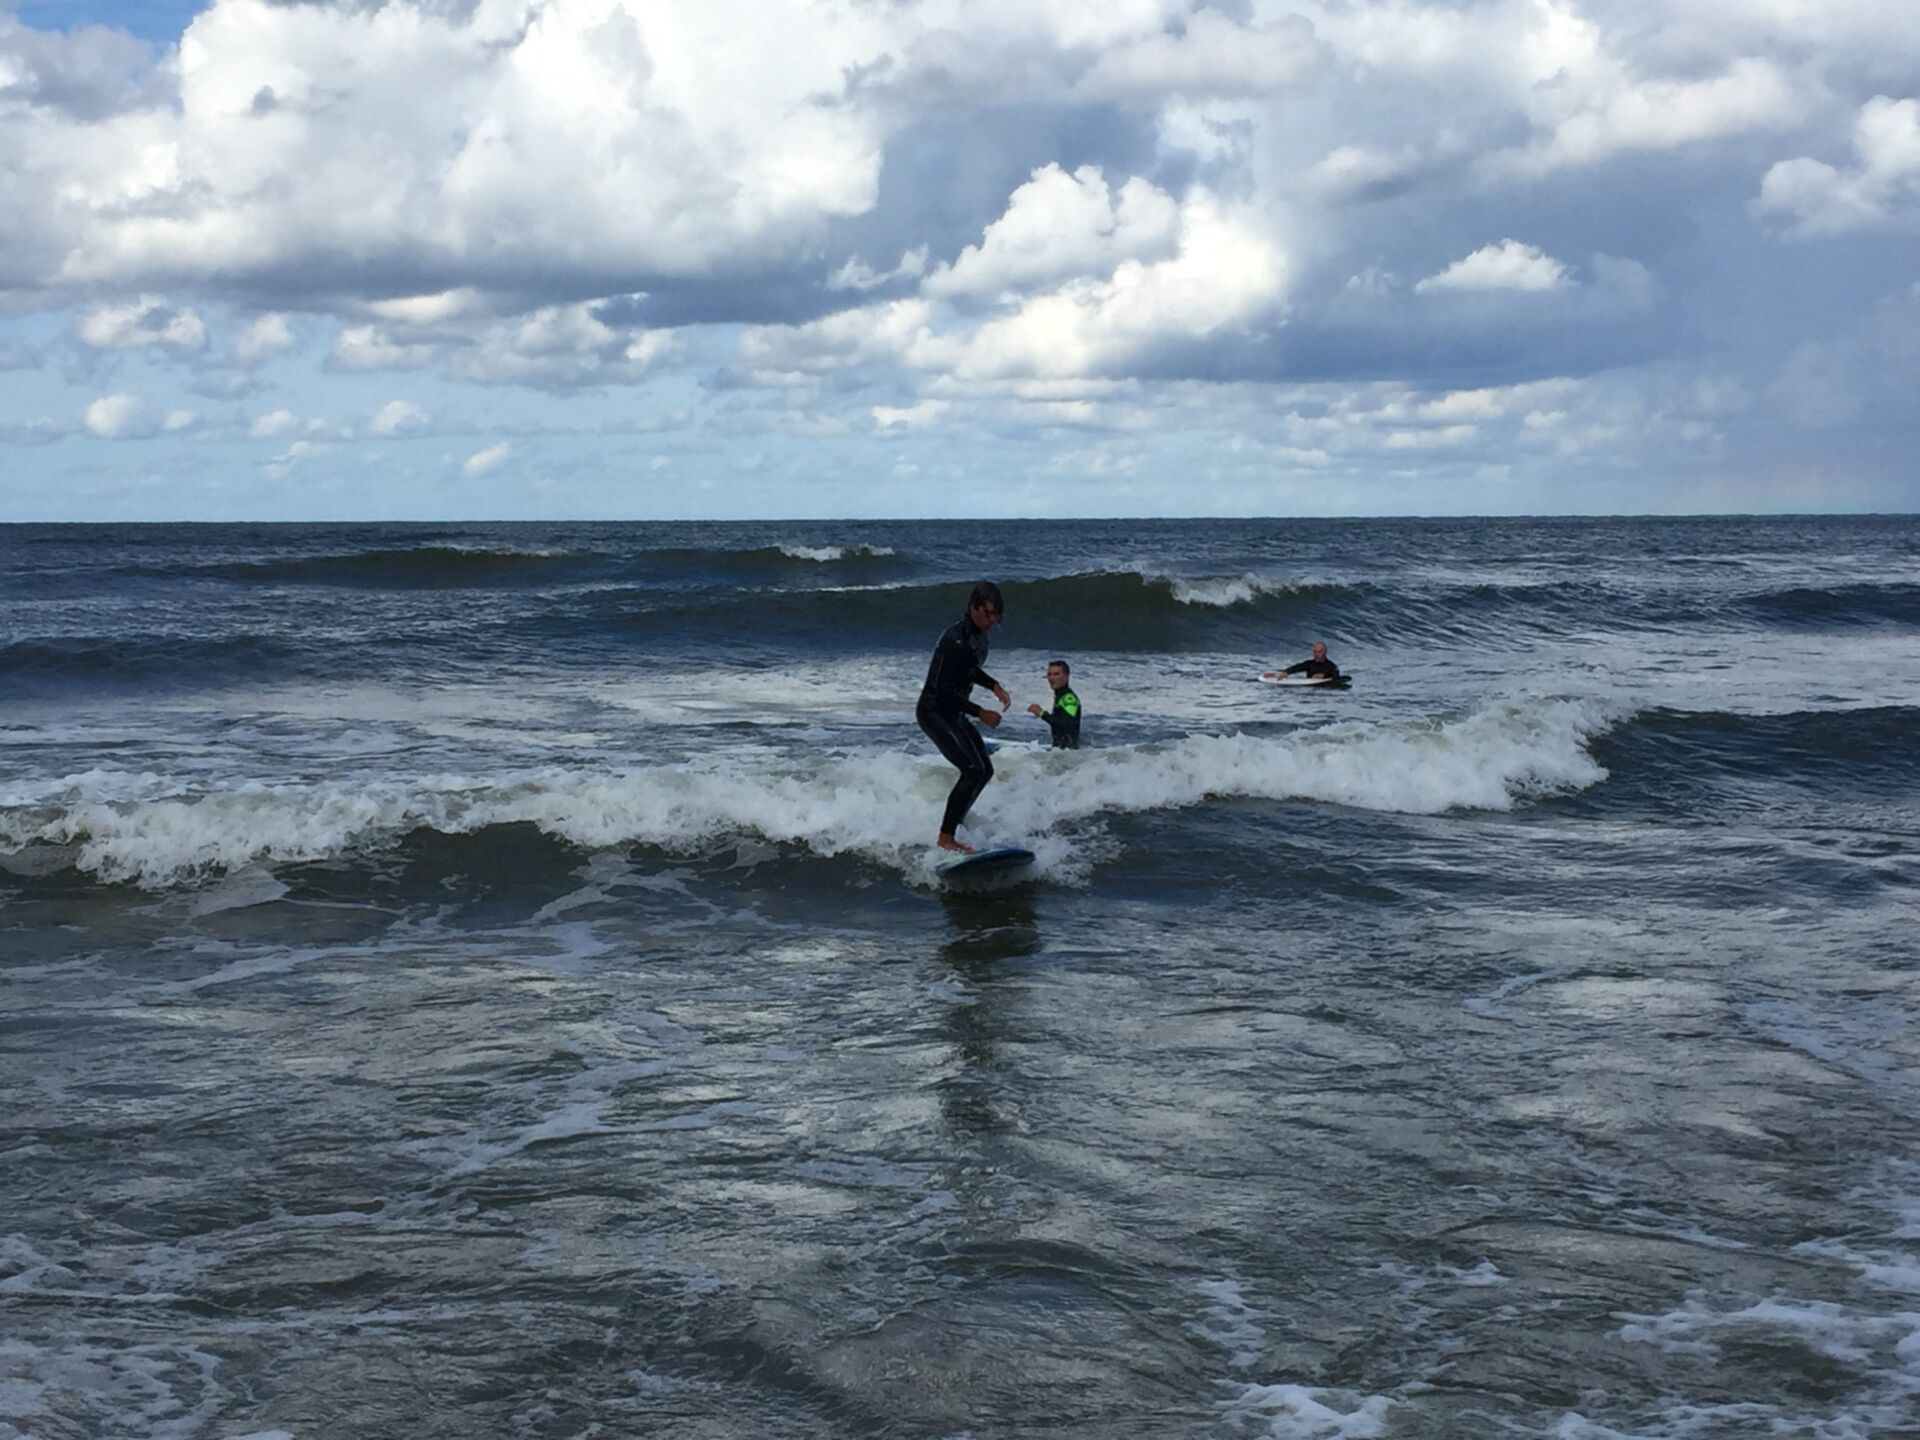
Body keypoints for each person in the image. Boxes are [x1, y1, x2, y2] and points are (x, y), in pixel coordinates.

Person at [917, 581, 1010, 853]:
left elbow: (969, 670)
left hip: (953, 712)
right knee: (972, 770)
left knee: (985, 770)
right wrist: (981, 713)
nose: (993, 620)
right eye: (989, 613)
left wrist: (994, 685)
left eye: (997, 615)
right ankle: (946, 837)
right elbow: (943, 691)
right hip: (934, 712)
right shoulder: (954, 640)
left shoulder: (979, 634)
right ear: (973, 608)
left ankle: (955, 820)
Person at [1026, 659, 1081, 749]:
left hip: (1068, 756)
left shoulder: (1069, 699)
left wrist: (1042, 713)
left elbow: (1067, 724)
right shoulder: (1060, 697)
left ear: (1066, 677)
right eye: (1049, 674)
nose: (1051, 678)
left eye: (1056, 674)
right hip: (1061, 753)